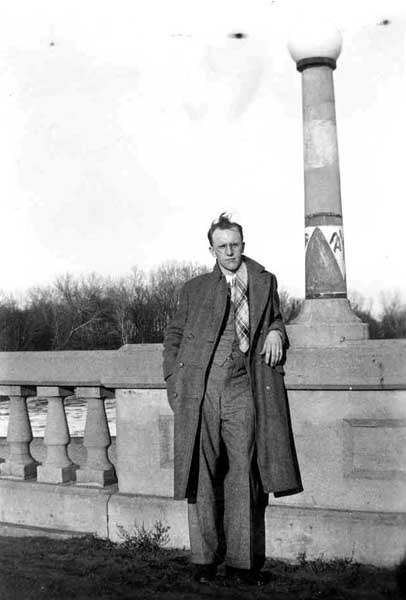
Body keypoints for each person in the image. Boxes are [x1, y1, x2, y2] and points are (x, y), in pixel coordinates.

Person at [163, 213, 302, 586]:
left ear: (244, 244)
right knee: (201, 475)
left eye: (235, 245)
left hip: (245, 389)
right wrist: (174, 382)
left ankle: (242, 565)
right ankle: (204, 561)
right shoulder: (194, 289)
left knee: (244, 474)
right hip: (202, 392)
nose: (229, 252)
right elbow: (173, 336)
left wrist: (276, 331)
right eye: (222, 246)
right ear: (211, 249)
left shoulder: (263, 280)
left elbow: (275, 318)